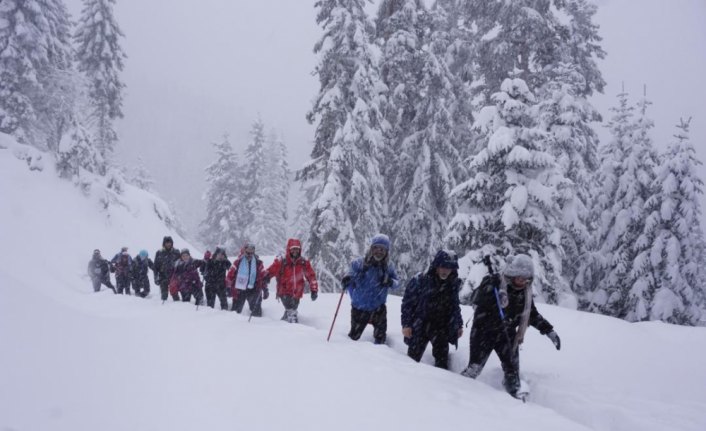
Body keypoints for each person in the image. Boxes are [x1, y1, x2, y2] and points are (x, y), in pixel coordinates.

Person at [460, 254, 561, 397]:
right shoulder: (494, 282)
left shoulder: (525, 294)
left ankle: (514, 397)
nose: (522, 282)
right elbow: (475, 299)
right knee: (474, 368)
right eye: (520, 277)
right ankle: (458, 392)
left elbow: (531, 314)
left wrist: (549, 331)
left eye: (526, 279)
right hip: (483, 332)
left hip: (506, 335)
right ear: (512, 274)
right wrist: (490, 292)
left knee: (512, 370)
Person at [401, 250, 464, 370]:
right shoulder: (421, 280)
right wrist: (406, 324)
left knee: (442, 364)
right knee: (411, 361)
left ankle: (439, 387)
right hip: (420, 324)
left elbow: (454, 305)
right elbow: (407, 304)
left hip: (441, 327)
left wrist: (458, 324)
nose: (445, 270)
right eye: (443, 266)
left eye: (449, 268)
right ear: (436, 265)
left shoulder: (453, 284)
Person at [342, 234, 399, 345]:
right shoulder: (359, 263)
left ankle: (379, 360)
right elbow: (349, 276)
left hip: (379, 308)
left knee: (380, 339)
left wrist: (390, 282)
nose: (379, 251)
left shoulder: (389, 266)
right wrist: (347, 281)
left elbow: (397, 283)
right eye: (376, 248)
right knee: (353, 338)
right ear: (371, 248)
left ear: (386, 251)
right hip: (359, 307)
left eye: (382, 249)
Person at [265, 238, 318, 323]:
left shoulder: (303, 262)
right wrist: (267, 276)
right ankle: (294, 327)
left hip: (297, 293)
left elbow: (311, 276)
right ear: (289, 249)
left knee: (292, 309)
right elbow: (272, 269)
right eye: (293, 249)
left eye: (297, 249)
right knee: (291, 311)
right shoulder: (282, 261)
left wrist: (314, 290)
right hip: (284, 291)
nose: (295, 251)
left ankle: (283, 323)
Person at [226, 242, 268, 316]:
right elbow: (230, 275)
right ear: (244, 251)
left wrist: (265, 289)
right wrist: (228, 287)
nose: (249, 254)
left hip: (254, 289)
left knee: (256, 313)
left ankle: (258, 325)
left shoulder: (258, 263)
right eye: (248, 252)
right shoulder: (237, 262)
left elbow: (262, 277)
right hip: (239, 290)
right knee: (235, 313)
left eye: (251, 252)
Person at [154, 236, 181, 301]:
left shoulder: (176, 252)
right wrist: (156, 277)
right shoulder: (159, 252)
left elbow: (180, 265)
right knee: (164, 294)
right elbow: (155, 267)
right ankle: (164, 307)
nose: (168, 244)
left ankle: (178, 306)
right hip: (163, 276)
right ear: (164, 243)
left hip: (173, 276)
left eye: (170, 242)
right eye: (167, 242)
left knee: (174, 293)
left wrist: (180, 276)